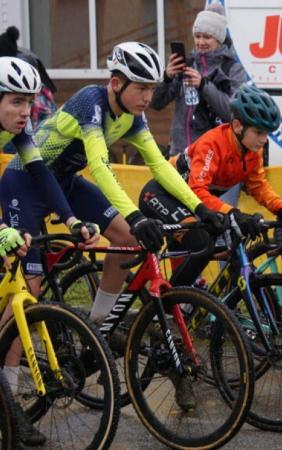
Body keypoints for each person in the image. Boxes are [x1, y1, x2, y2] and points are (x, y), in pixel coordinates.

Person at [0, 43, 223, 409]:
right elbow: (101, 166)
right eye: (141, 88)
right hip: (25, 184)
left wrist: (200, 206)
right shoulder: (92, 102)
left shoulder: (134, 115)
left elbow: (160, 165)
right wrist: (136, 214)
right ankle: (8, 392)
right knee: (30, 288)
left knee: (126, 240)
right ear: (116, 83)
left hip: (64, 182)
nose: (148, 97)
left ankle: (98, 325)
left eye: (153, 88)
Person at [0, 56, 104, 446]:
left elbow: (42, 175)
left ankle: (8, 408)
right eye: (15, 102)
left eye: (29, 102)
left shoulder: (22, 132)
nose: (25, 112)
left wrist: (72, 220)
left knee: (19, 302)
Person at [139, 84, 282, 289]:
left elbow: (258, 186)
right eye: (259, 132)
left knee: (221, 244)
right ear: (238, 126)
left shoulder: (252, 150)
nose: (264, 139)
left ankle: (187, 300)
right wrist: (232, 213)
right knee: (203, 245)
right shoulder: (213, 144)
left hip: (191, 203)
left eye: (267, 133)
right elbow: (197, 191)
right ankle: (170, 302)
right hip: (161, 194)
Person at [151, 3, 246, 157]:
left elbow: (233, 114)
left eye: (207, 37)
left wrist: (204, 85)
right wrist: (167, 77)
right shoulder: (186, 64)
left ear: (219, 39)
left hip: (213, 156)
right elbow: (155, 103)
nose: (201, 42)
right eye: (197, 36)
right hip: (179, 154)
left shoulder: (232, 69)